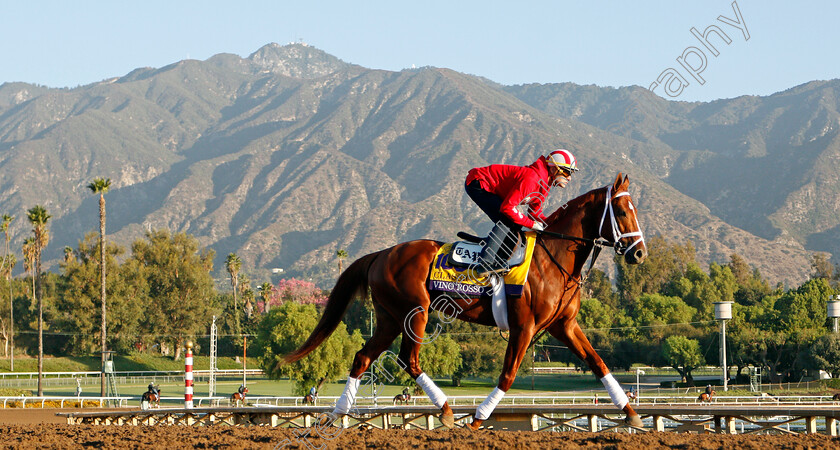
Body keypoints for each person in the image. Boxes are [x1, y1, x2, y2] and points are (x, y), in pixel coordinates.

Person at [465, 149, 578, 275]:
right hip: (478, 183)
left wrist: (551, 225)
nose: (569, 178)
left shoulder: (545, 183)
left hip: (492, 189)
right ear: (553, 169)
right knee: (507, 220)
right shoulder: (532, 179)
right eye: (567, 172)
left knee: (515, 224)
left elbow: (534, 212)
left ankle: (500, 260)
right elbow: (507, 208)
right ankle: (485, 263)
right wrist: (531, 224)